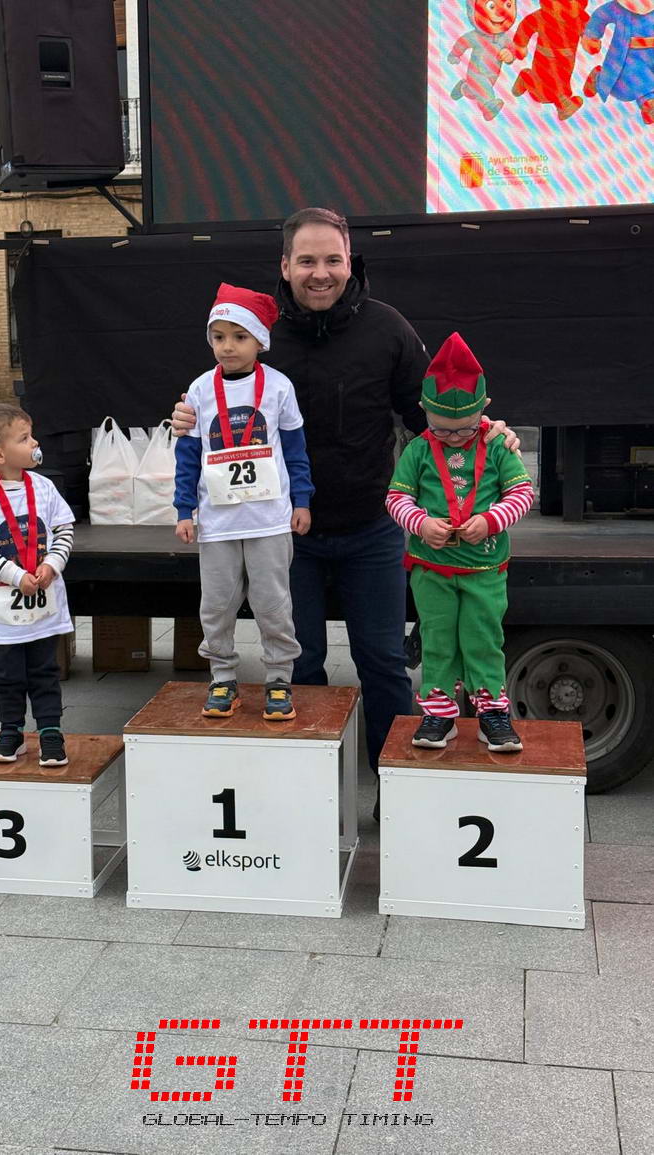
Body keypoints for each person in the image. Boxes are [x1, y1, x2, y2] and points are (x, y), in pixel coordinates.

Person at [172, 209, 519, 795]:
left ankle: (397, 789)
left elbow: (430, 414)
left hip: (370, 528)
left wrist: (487, 431)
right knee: (300, 661)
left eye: (332, 260)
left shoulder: (387, 328)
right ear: (285, 265)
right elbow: (212, 402)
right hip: (284, 532)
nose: (321, 273)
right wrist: (184, 415)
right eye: (307, 260)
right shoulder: (255, 334)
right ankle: (312, 795)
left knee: (383, 661)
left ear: (350, 263)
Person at [386, 332, 534, 750]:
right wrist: (420, 523)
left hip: (484, 567)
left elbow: (522, 493)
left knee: (483, 638)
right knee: (437, 638)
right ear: (423, 411)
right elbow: (396, 498)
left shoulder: (497, 444)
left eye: (464, 429)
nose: (453, 438)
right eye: (442, 429)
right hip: (432, 568)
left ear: (485, 408)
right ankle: (439, 712)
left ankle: (492, 713)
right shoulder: (417, 450)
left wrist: (491, 520)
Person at [174, 283, 314, 720]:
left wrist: (302, 501)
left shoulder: (279, 387)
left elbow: (296, 450)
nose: (227, 347)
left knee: (274, 604)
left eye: (239, 336)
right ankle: (222, 677)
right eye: (218, 337)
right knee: (216, 605)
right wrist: (183, 509)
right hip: (218, 523)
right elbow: (188, 455)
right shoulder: (200, 389)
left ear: (260, 342)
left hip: (269, 519)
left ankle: (279, 679)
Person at [0, 403, 75, 765]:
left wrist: (52, 565)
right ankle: (10, 730)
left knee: (45, 669)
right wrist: (15, 576)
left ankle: (50, 731)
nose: (35, 443)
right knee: (6, 674)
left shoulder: (44, 488)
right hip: (2, 609)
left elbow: (63, 529)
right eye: (24, 438)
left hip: (42, 603)